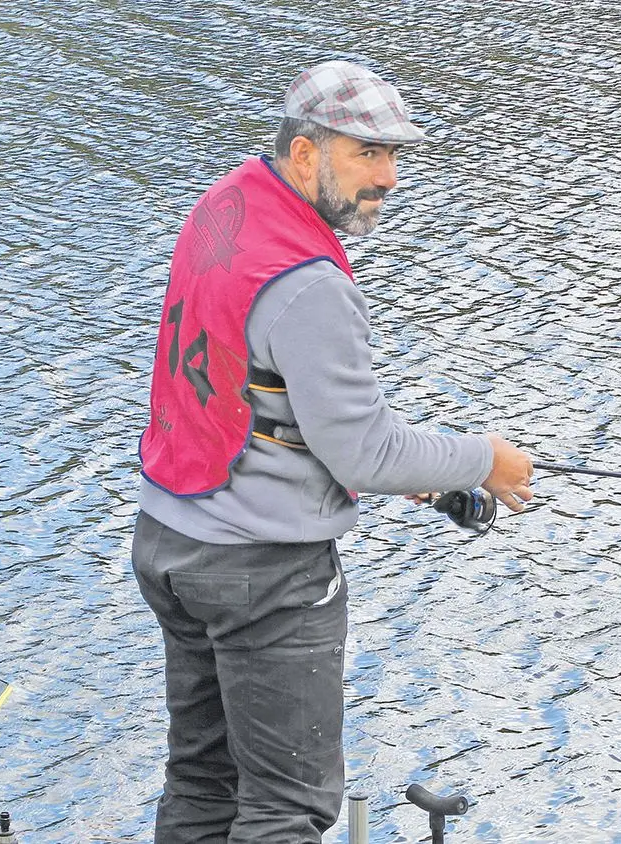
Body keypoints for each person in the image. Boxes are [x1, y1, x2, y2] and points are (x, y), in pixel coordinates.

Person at [132, 60, 535, 844]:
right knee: (287, 809)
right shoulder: (311, 282)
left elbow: (261, 392)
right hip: (263, 573)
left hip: (171, 541)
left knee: (204, 785)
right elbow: (365, 453)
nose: (387, 177)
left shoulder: (227, 205)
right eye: (367, 155)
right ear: (307, 153)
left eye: (394, 156)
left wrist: (396, 464)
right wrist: (482, 457)